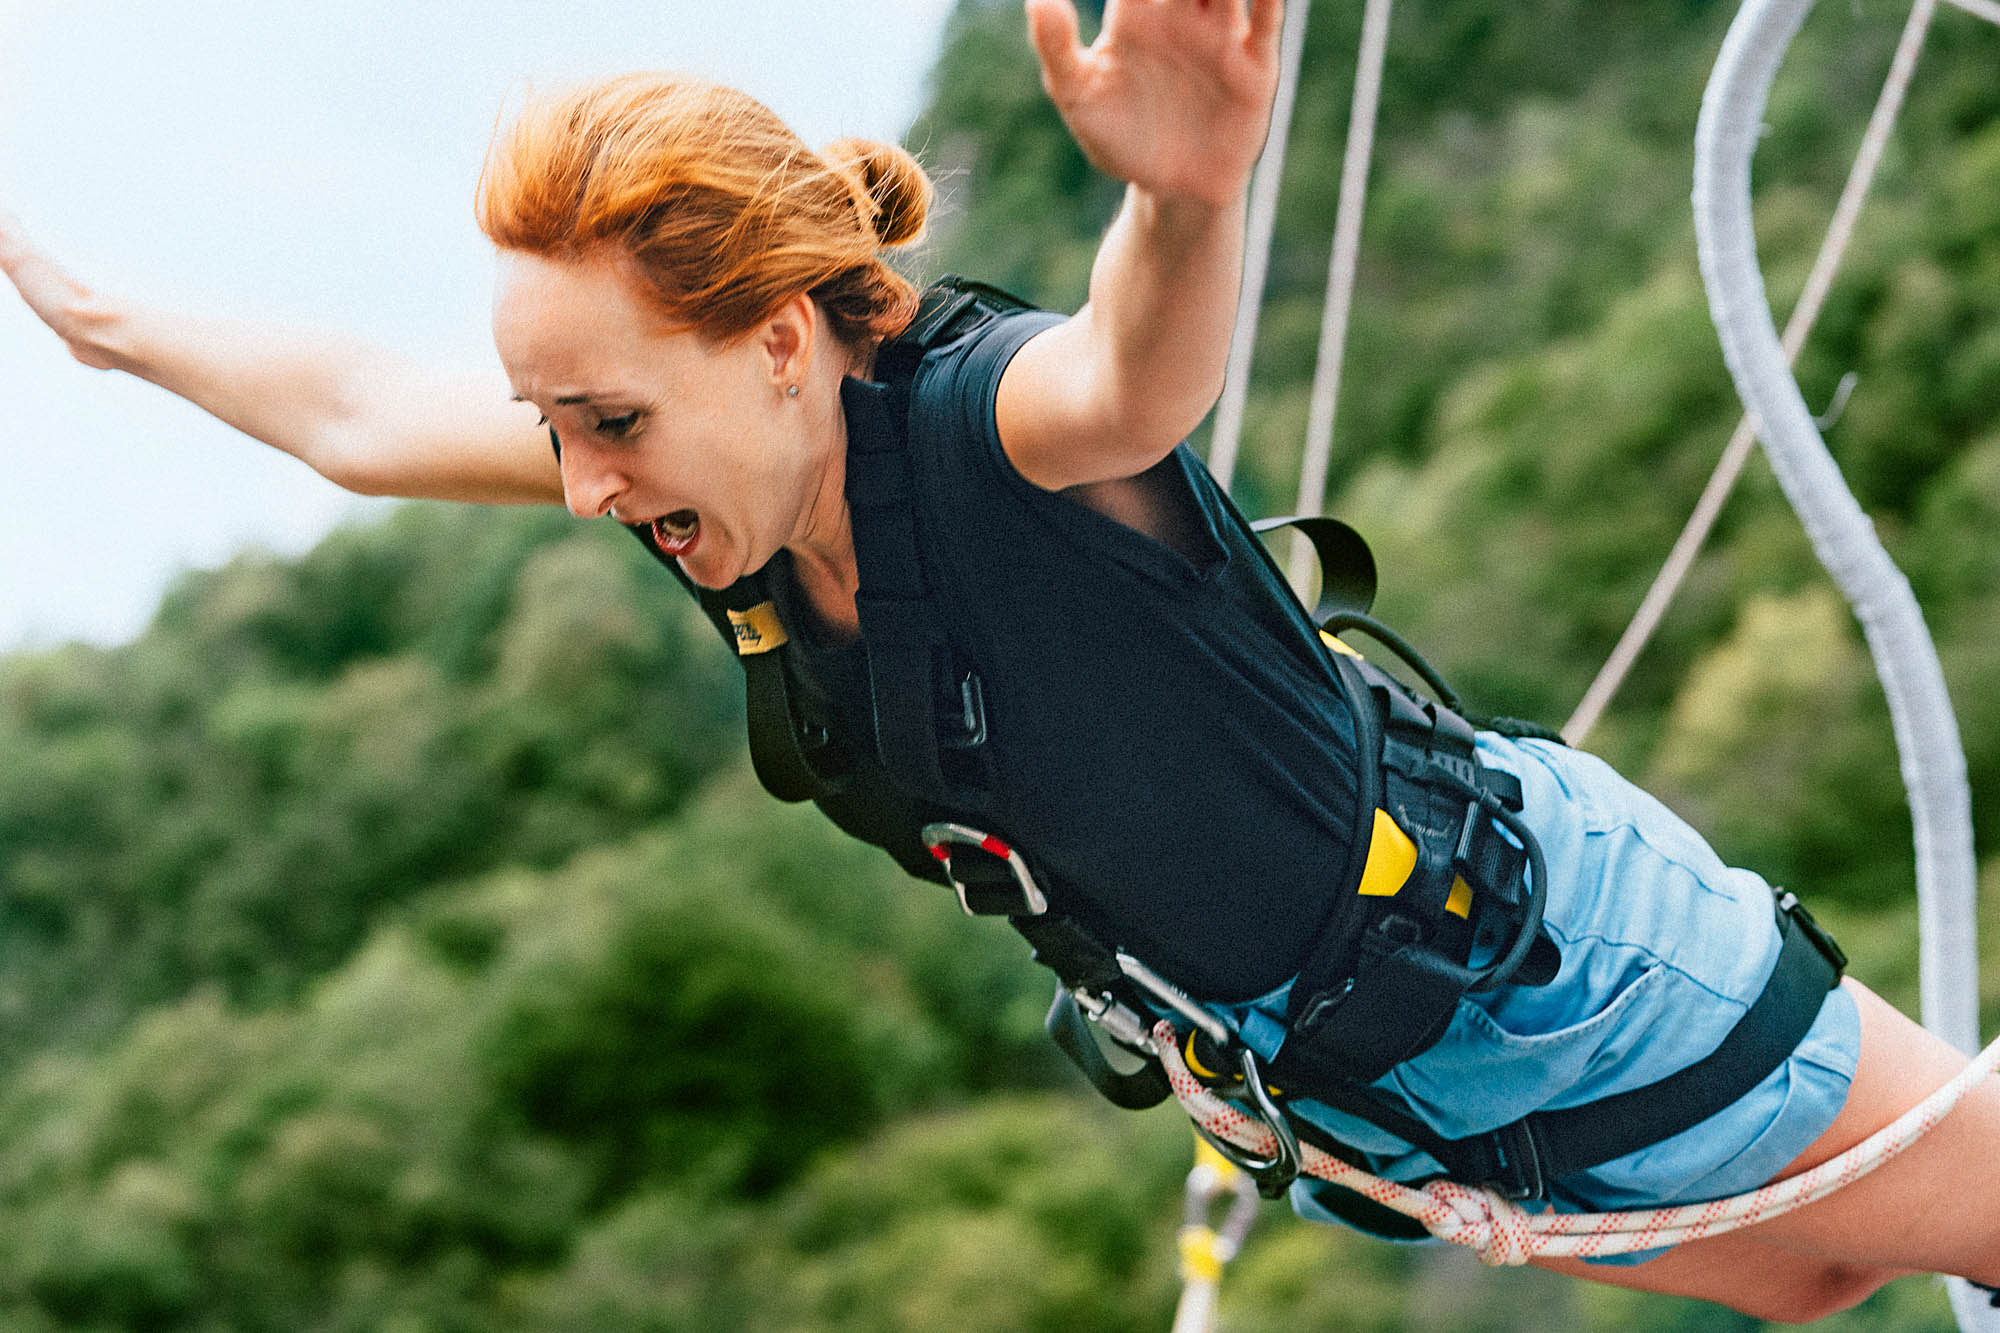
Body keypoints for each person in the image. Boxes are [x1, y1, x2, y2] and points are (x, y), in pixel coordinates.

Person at [3, 0, 1996, 1320]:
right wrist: (107, 323)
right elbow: (358, 406)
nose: (585, 484)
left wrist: (1184, 191)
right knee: (1814, 1284)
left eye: (607, 420)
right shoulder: (725, 498)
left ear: (781, 340)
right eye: (556, 433)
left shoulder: (980, 424)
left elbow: (1132, 375)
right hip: (1349, 1086)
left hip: (1540, 968)